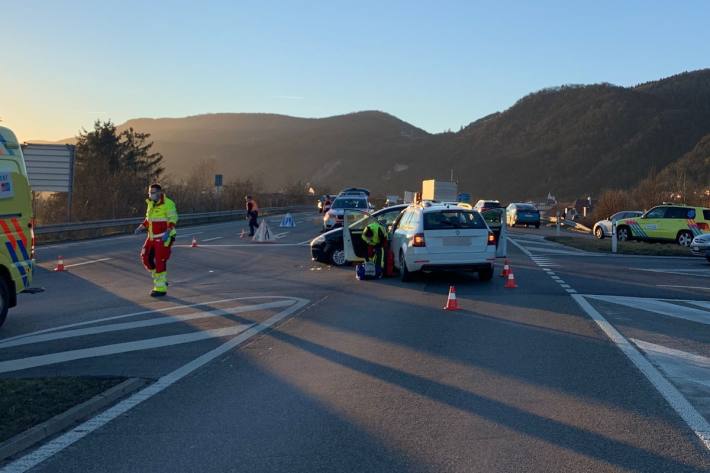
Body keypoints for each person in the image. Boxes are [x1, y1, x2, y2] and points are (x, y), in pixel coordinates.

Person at [134, 184, 178, 297]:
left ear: (159, 192)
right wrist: (141, 227)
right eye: (149, 192)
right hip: (152, 236)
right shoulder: (150, 204)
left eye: (153, 192)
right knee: (145, 257)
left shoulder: (168, 204)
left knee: (160, 261)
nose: (150, 194)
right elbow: (149, 219)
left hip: (164, 237)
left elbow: (173, 219)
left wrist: (168, 233)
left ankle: (161, 288)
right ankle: (161, 280)